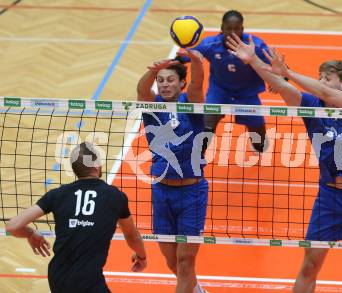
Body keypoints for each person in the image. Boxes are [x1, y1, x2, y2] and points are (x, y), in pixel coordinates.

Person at [226, 34, 342, 293]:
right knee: (310, 265)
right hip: (330, 196)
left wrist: (288, 72)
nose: (322, 82)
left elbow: (316, 89)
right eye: (320, 76)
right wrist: (253, 60)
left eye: (327, 78)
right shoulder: (310, 106)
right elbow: (279, 84)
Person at [6, 142, 147, 293]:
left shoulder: (57, 194)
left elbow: (12, 227)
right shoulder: (115, 196)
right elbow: (133, 237)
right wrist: (142, 257)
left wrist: (30, 233)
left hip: (58, 277)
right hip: (88, 280)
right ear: (96, 165)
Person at [137, 50, 208, 293]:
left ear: (181, 84)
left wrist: (197, 61)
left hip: (192, 193)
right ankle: (196, 290)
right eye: (161, 80)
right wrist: (153, 70)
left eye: (170, 80)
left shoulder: (191, 103)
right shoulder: (153, 106)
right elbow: (141, 90)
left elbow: (198, 85)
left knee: (185, 262)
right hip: (162, 192)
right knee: (171, 261)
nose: (165, 85)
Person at [189, 9, 270, 154]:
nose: (233, 32)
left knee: (260, 145)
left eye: (237, 28)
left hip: (247, 94)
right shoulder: (210, 44)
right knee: (205, 128)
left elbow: (274, 64)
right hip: (219, 92)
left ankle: (258, 143)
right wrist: (175, 61)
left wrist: (282, 79)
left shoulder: (255, 45)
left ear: (242, 29)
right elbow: (189, 55)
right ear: (221, 29)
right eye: (229, 28)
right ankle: (197, 159)